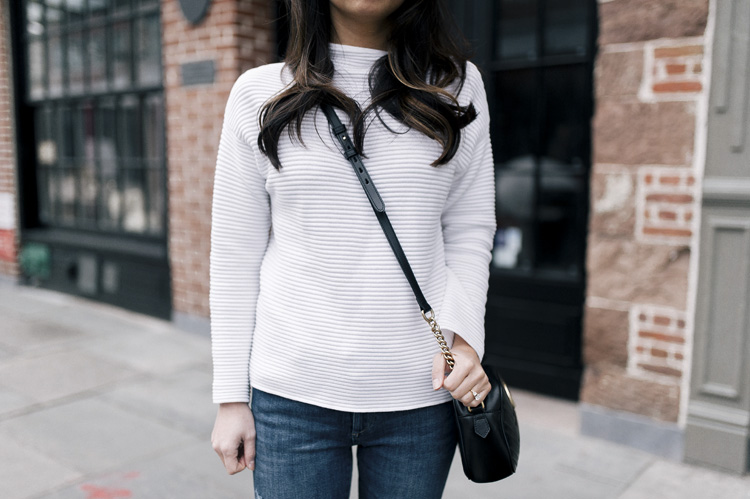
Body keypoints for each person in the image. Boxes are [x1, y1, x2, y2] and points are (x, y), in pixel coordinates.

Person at [209, 0, 496, 497]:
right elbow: (236, 253)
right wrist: (230, 397)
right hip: (291, 396)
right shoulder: (258, 92)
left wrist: (466, 336)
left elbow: (470, 228)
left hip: (419, 393)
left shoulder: (457, 86)